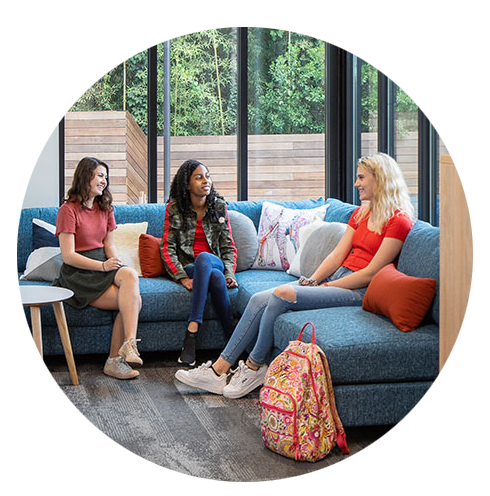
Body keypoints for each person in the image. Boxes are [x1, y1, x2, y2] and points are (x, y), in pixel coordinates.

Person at [175, 152, 415, 398]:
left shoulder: (399, 221)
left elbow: (371, 272)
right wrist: (314, 280)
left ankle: (254, 366)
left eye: (361, 178)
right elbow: (336, 255)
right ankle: (218, 371)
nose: (356, 184)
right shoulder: (361, 214)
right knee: (259, 298)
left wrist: (326, 287)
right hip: (338, 281)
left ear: (380, 179)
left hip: (358, 291)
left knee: (282, 294)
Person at [53, 157, 142, 380]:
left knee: (130, 275)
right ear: (86, 177)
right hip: (79, 273)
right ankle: (113, 361)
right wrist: (103, 266)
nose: (104, 181)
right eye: (100, 176)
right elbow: (68, 255)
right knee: (134, 302)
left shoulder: (105, 207)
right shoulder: (68, 210)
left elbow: (109, 245)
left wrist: (115, 263)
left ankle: (129, 344)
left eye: (105, 177)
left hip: (103, 263)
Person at [161, 159, 238, 367]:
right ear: (187, 184)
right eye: (199, 177)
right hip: (191, 267)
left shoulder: (219, 207)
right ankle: (233, 337)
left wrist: (229, 273)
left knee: (206, 259)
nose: (206, 181)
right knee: (213, 277)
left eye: (208, 176)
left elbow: (228, 247)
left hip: (215, 263)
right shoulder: (174, 209)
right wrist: (182, 277)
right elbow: (167, 248)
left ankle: (192, 329)